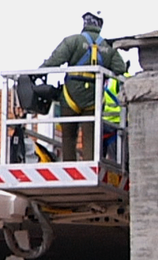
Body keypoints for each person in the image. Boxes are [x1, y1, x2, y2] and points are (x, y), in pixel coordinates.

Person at [40, 12, 128, 161]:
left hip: (70, 95)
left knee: (69, 135)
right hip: (93, 97)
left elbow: (54, 60)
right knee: (91, 137)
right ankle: (90, 164)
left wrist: (38, 72)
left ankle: (69, 165)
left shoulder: (72, 41)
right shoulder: (108, 47)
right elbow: (120, 68)